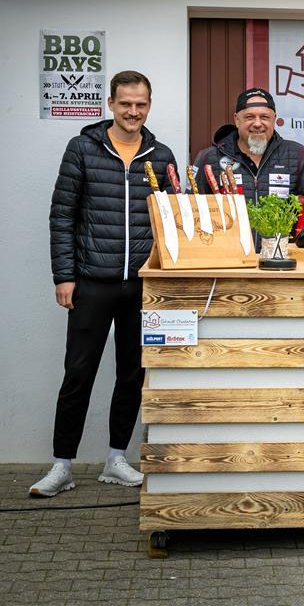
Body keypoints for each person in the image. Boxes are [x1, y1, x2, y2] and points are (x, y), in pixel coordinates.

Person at [31, 70, 178, 497]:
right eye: (126, 103)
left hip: (141, 286)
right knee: (78, 373)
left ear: (148, 106)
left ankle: (116, 458)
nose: (133, 112)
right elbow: (62, 215)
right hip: (91, 281)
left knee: (132, 374)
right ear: (111, 104)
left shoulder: (160, 153)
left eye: (141, 104)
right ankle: (62, 465)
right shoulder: (82, 148)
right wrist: (64, 275)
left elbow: (169, 220)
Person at [192, 88, 304, 203]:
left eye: (264, 117)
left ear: (274, 120)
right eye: (250, 117)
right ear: (237, 120)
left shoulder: (297, 155)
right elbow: (191, 207)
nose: (257, 123)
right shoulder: (208, 158)